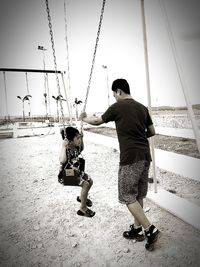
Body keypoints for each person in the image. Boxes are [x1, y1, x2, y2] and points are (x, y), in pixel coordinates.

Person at [79, 78, 161, 250]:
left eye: (114, 94)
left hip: (130, 158)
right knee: (138, 195)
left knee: (127, 196)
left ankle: (150, 229)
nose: (115, 98)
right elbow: (152, 131)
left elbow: (97, 121)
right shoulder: (142, 107)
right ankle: (137, 229)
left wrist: (84, 118)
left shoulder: (118, 106)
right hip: (145, 156)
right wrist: (138, 135)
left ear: (118, 91)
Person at [59, 126, 95, 217]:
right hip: (66, 175)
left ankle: (81, 198)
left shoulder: (75, 148)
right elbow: (62, 160)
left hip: (76, 172)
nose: (79, 140)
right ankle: (83, 208)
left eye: (80, 137)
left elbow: (81, 148)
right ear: (69, 141)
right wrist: (63, 146)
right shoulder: (66, 149)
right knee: (85, 184)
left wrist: (82, 138)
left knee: (90, 181)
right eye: (77, 138)